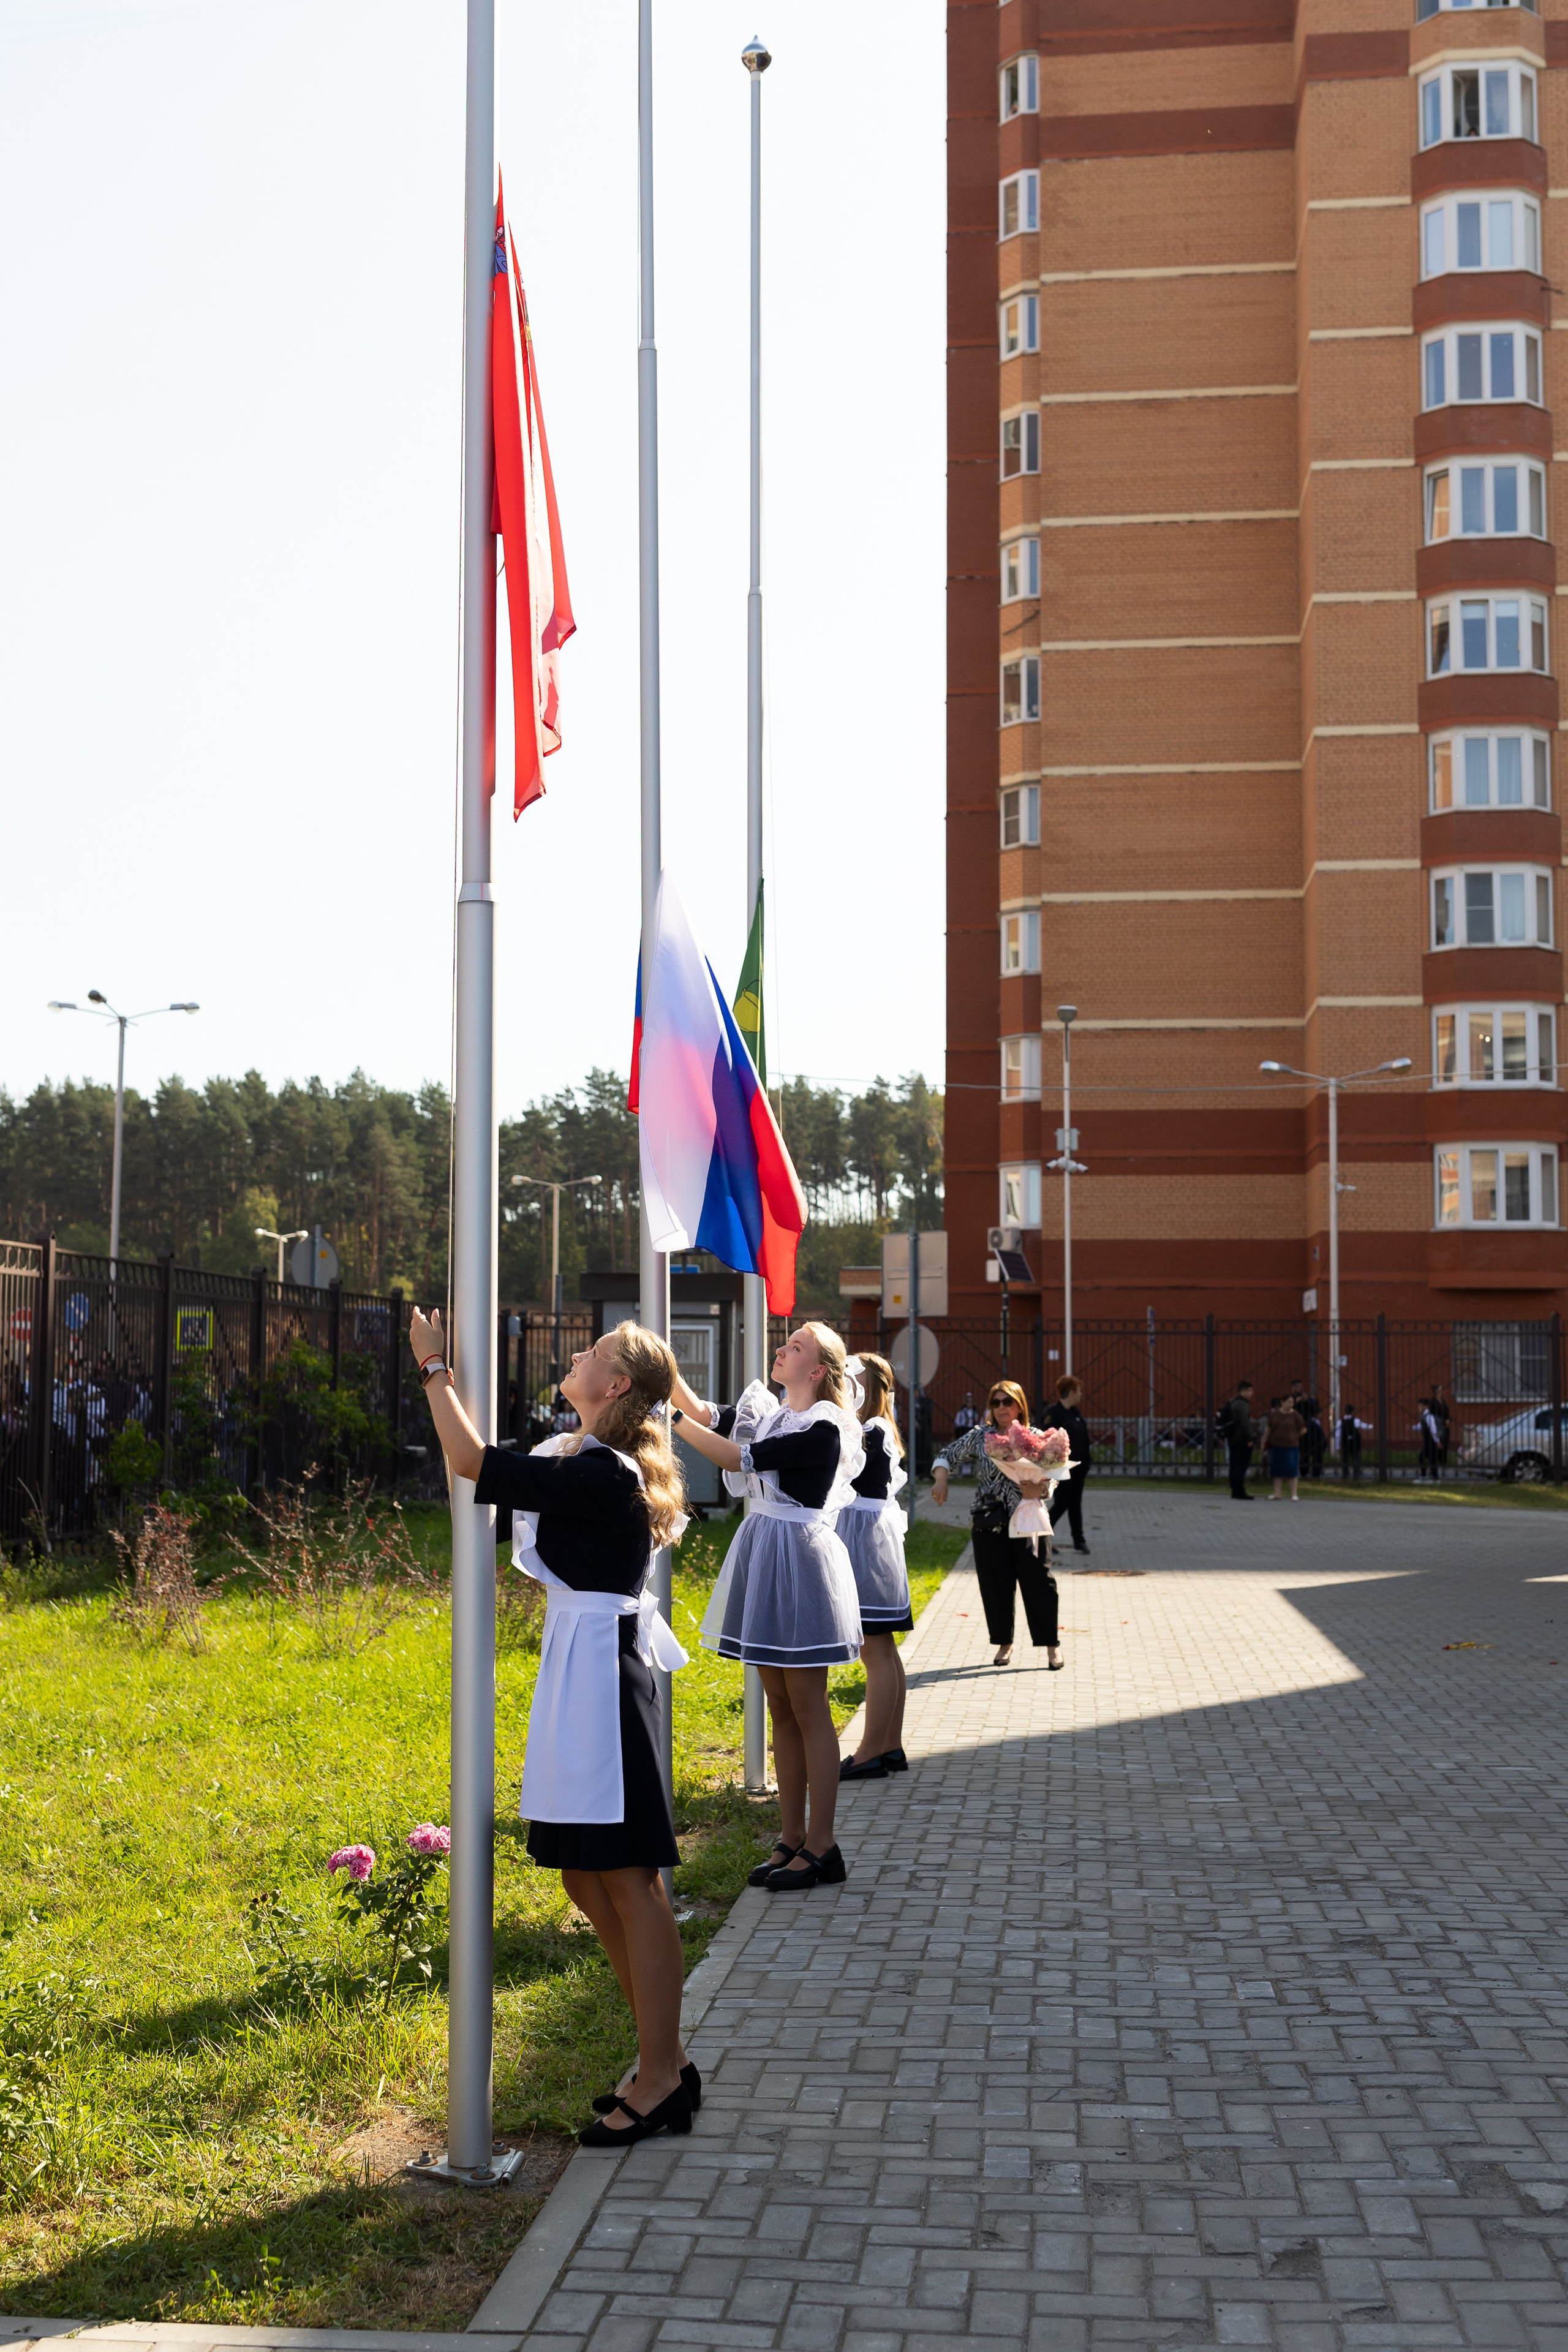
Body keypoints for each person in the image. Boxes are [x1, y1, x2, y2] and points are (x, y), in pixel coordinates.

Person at [407, 1306, 696, 2149]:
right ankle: (662, 2058)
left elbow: (468, 1460)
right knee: (580, 1874)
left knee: (630, 1880)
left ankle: (661, 2071)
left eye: (593, 1352)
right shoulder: (581, 1457)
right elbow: (493, 1460)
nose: (577, 1354)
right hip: (580, 1670)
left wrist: (433, 1367)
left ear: (616, 1388)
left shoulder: (606, 1473)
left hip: (606, 1674)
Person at [670, 1323, 864, 1893]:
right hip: (766, 1552)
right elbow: (708, 1412)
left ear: (819, 1371)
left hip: (800, 1562)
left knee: (808, 1705)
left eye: (796, 1346)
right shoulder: (774, 1411)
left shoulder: (824, 1427)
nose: (782, 1350)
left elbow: (737, 1454)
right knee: (779, 1703)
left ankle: (824, 1846)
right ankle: (790, 1837)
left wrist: (670, 1419)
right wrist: (668, 1377)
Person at [930, 1381, 1061, 1670]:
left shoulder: (1037, 1437)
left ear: (1020, 1404)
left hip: (1029, 1521)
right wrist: (941, 1478)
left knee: (1040, 1583)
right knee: (996, 1586)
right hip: (989, 1522)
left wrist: (1039, 1491)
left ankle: (1051, 1646)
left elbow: (1053, 1475)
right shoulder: (982, 1437)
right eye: (996, 1402)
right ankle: (1005, 1643)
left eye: (1007, 1401)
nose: (1002, 1407)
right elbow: (946, 1455)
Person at [837, 1353, 912, 1782]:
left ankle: (870, 1751)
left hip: (865, 1547)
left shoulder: (870, 1428)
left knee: (876, 1652)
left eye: (853, 1376)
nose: (846, 1382)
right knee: (884, 1652)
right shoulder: (878, 1426)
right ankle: (889, 1746)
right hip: (869, 1542)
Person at [1042, 1373, 1091, 1554]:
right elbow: (1046, 1438)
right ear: (1070, 1392)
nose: (1080, 1395)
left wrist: (1087, 1462)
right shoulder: (1054, 1414)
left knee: (1075, 1504)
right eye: (1078, 1391)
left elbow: (1083, 1439)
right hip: (1061, 1468)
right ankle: (1043, 1535)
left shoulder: (1075, 1413)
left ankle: (1079, 1540)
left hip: (1079, 1468)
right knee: (1062, 1502)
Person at [1264, 1392, 1305, 1501]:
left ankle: (1294, 1494)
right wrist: (1265, 1441)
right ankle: (1277, 1493)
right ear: (1282, 1402)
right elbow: (1268, 1429)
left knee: (1292, 1469)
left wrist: (1295, 1436)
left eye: (1292, 1402)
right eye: (1289, 1402)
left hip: (1292, 1446)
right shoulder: (1275, 1415)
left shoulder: (1296, 1415)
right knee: (1277, 1470)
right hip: (1276, 1445)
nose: (1291, 1404)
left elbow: (1303, 1429)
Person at [1219, 1379, 1255, 1500]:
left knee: (1234, 1465)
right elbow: (1245, 1423)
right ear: (1243, 1391)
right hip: (1242, 1439)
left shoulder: (1232, 1402)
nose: (1252, 1393)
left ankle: (1235, 1489)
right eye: (1250, 1391)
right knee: (1241, 1466)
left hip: (1232, 1438)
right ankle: (1239, 1491)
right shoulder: (1242, 1404)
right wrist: (1250, 1438)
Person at [1338, 1406, 1370, 1479]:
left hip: (1345, 1444)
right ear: (1352, 1412)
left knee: (1345, 1460)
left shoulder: (1341, 1422)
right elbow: (1364, 1426)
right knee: (1356, 1460)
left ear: (1345, 1412)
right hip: (1355, 1444)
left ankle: (1345, 1475)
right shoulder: (1356, 1421)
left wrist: (1338, 1446)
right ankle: (1356, 1475)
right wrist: (1372, 1426)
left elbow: (1338, 1435)